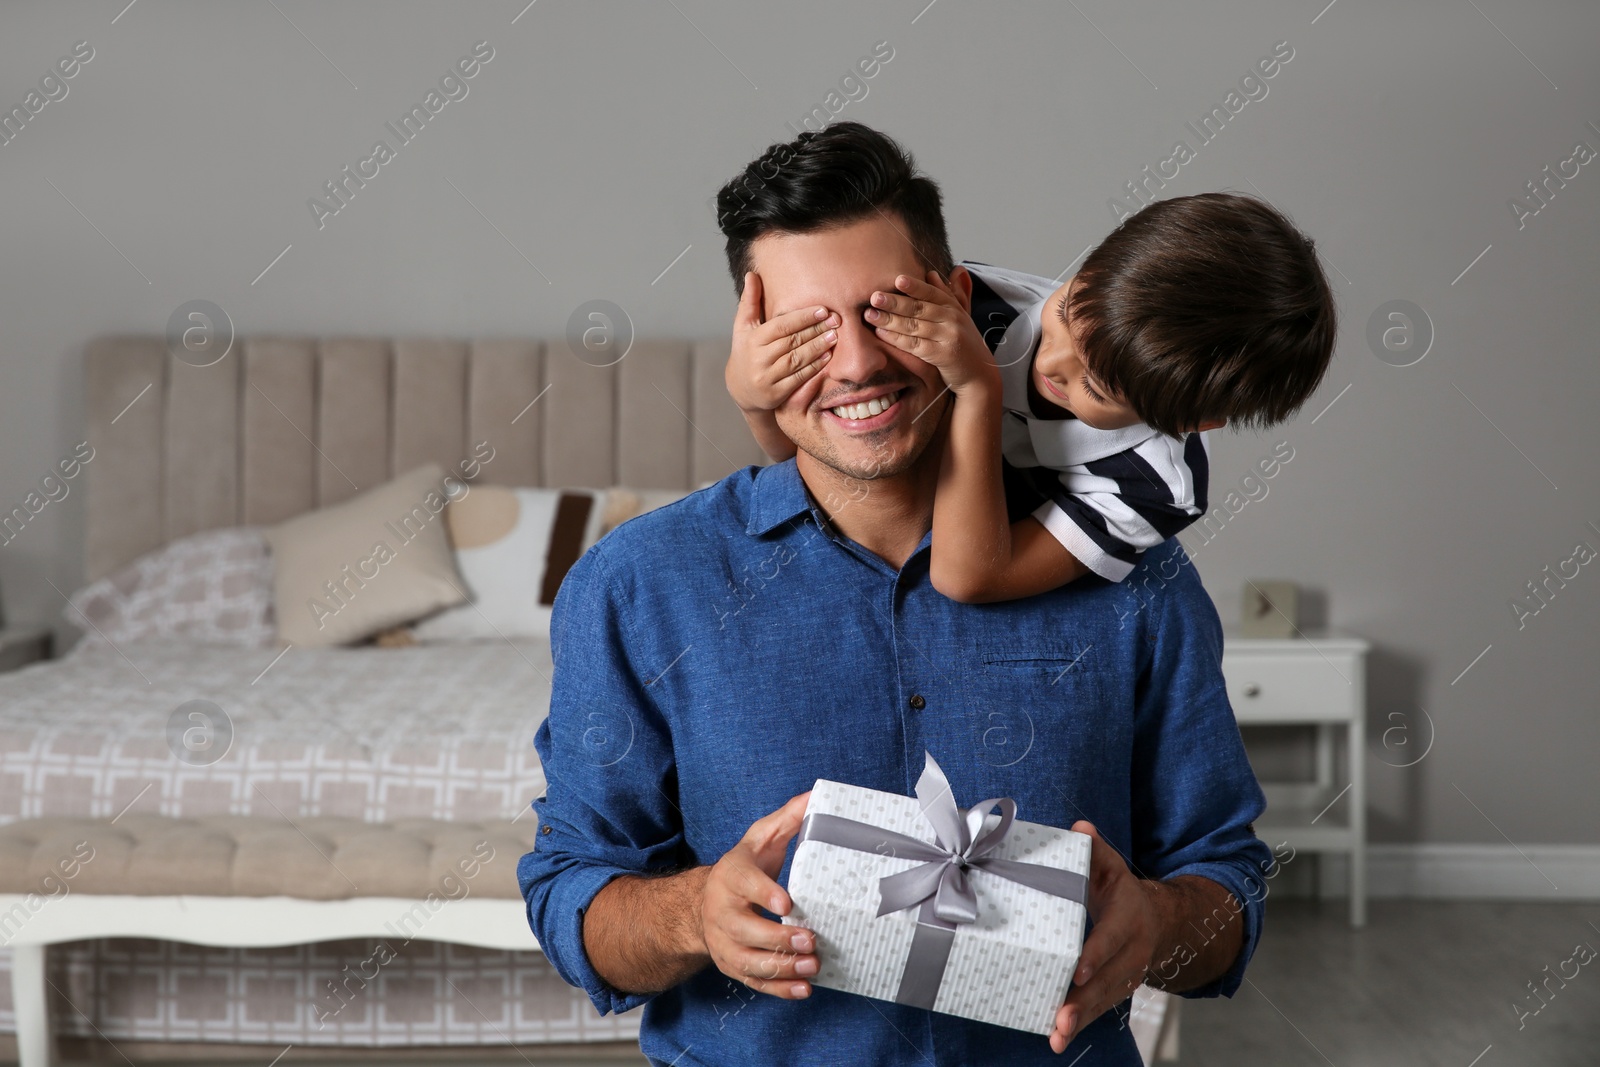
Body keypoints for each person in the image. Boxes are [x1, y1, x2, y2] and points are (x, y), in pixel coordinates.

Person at [518, 122, 1275, 1066]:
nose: (856, 364)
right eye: (806, 330)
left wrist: (1158, 924)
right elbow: (570, 895)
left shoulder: (1136, 576)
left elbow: (1228, 888)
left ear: (960, 303)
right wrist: (689, 914)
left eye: (884, 313)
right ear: (751, 342)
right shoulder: (638, 585)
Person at [727, 125, 1336, 603]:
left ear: (1193, 421)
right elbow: (817, 454)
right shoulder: (979, 304)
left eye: (1094, 383)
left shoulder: (1154, 485)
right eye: (1068, 308)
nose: (1053, 359)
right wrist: (753, 395)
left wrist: (978, 388)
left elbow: (971, 578)